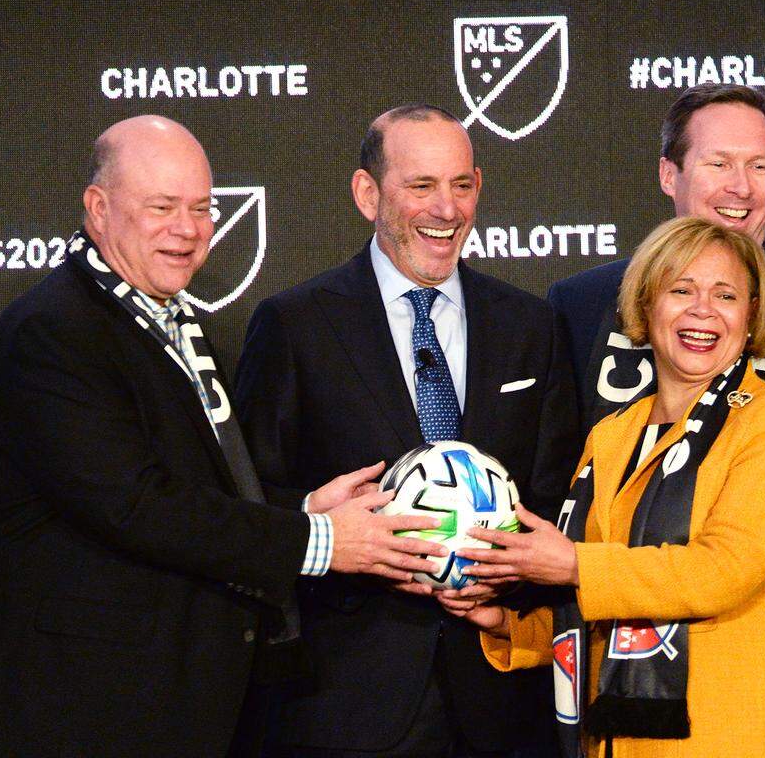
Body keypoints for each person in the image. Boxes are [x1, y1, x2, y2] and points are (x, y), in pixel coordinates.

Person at [0, 115, 445, 757]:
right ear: (99, 208)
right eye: (162, 207)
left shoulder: (168, 318)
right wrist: (320, 541)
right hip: (69, 708)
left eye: (202, 208)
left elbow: (193, 485)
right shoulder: (52, 333)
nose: (188, 229)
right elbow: (134, 505)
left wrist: (305, 509)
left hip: (156, 703)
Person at [234, 104, 580, 757]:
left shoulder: (529, 325)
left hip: (502, 698)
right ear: (369, 194)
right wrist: (324, 527)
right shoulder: (295, 325)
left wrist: (511, 572)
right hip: (347, 702)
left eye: (461, 185)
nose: (446, 209)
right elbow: (248, 509)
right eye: (421, 187)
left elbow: (559, 496)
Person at [441, 216, 765, 757]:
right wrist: (509, 624)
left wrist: (573, 564)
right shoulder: (613, 434)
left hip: (740, 731)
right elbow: (602, 605)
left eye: (726, 295)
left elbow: (722, 572)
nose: (702, 310)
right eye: (681, 290)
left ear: (752, 317)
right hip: (618, 736)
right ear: (646, 305)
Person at [547, 83, 765, 429]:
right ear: (668, 175)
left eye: (759, 167)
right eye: (719, 163)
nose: (742, 187)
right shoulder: (579, 305)